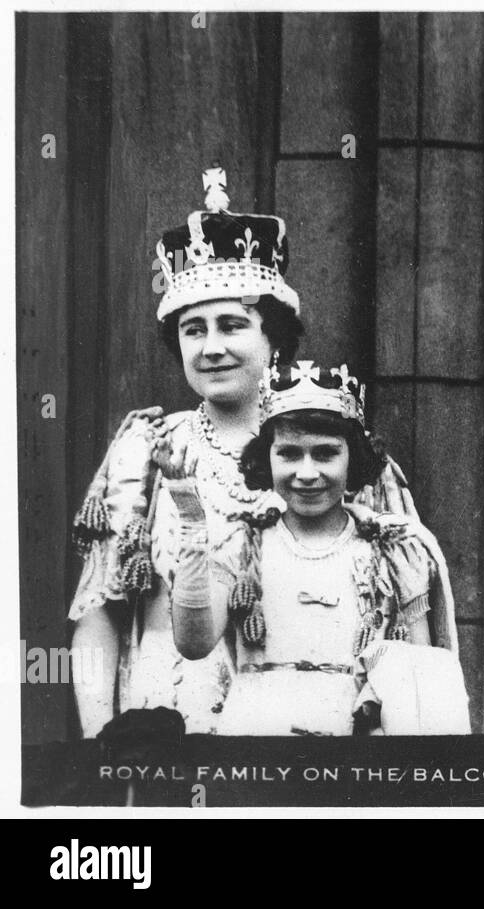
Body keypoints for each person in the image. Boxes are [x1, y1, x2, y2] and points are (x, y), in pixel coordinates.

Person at [68, 167, 305, 736]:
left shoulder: (319, 449)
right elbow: (99, 612)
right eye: (193, 330)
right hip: (167, 712)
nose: (213, 347)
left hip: (298, 712)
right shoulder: (148, 452)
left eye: (232, 324)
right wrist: (100, 738)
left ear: (273, 337)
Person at [160, 361, 470, 736]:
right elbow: (194, 643)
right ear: (266, 457)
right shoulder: (242, 545)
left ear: (353, 457)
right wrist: (193, 522)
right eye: (289, 454)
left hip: (354, 755)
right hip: (254, 746)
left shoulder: (393, 551)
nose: (307, 473)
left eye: (325, 453)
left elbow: (420, 680)